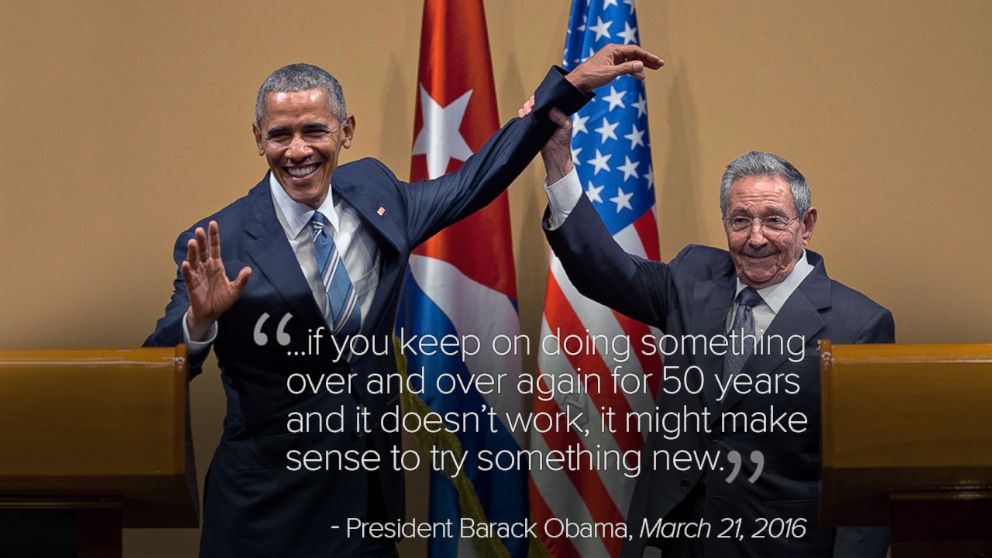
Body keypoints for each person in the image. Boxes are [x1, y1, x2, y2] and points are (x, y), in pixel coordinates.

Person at [144, 44, 663, 557]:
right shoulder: (221, 241)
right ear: (259, 139)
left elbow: (475, 181)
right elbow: (153, 368)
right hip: (265, 515)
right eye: (280, 134)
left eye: (315, 131)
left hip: (367, 507)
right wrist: (199, 320)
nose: (297, 150)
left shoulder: (377, 195)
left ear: (346, 131)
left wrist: (568, 89)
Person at [527, 104, 894, 557]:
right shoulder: (692, 278)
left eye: (774, 219)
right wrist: (560, 161)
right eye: (740, 220)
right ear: (725, 223)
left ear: (807, 225)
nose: (756, 237)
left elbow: (864, 492)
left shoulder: (859, 325)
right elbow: (604, 270)